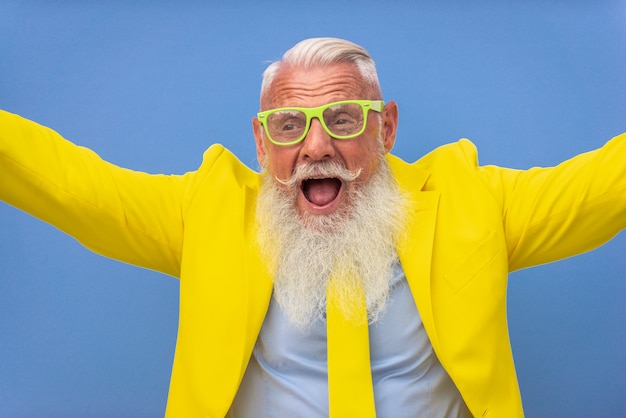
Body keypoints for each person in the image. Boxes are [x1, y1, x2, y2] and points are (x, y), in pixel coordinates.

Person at [0, 37, 624, 417]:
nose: (316, 147)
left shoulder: (472, 202)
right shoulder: (209, 212)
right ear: (261, 140)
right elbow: (73, 186)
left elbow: (604, 186)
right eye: (290, 125)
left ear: (386, 129)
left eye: (345, 118)